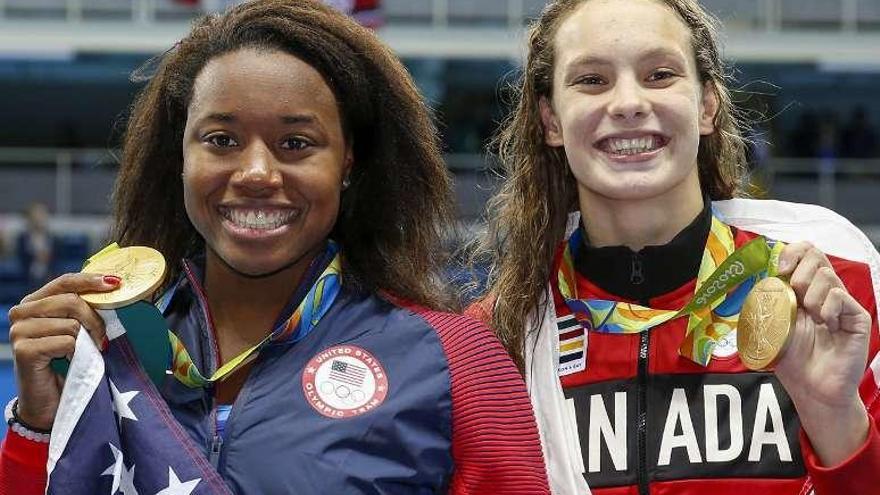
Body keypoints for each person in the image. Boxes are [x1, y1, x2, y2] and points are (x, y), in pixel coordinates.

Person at [0, 1, 549, 493]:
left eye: (296, 143)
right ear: (181, 159)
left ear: (348, 163)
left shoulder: (454, 359)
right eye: (221, 140)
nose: (257, 173)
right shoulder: (108, 349)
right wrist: (40, 426)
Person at [471, 0, 880, 493]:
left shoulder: (832, 284)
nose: (627, 103)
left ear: (707, 105)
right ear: (551, 120)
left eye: (660, 74)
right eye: (592, 80)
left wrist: (833, 415)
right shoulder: (503, 334)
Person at [16, 203, 54, 292]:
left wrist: (47, 257)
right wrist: (35, 256)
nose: (39, 219)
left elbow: (57, 258)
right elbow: (21, 258)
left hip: (48, 275)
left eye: (42, 216)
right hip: (28, 276)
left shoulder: (51, 238)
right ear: (30, 218)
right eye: (36, 216)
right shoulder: (23, 238)